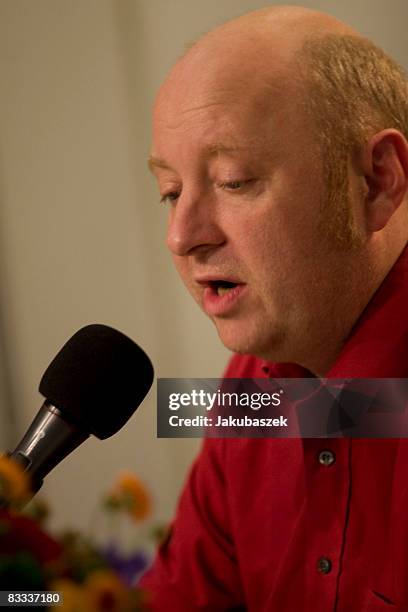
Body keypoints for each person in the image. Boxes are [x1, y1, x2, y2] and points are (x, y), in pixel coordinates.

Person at [142, 5, 408, 610]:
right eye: (171, 192)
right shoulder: (251, 390)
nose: (182, 237)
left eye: (233, 181)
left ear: (376, 182)